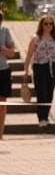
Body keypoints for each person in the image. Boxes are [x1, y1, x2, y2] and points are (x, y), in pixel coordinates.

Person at [24, 15, 55, 128]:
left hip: (52, 67)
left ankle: (46, 115)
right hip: (39, 67)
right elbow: (29, 55)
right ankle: (42, 118)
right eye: (46, 24)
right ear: (41, 25)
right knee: (41, 92)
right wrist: (26, 70)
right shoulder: (35, 38)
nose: (48, 26)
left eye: (50, 24)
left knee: (49, 93)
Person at [0, 11, 17, 139]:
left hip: (3, 71)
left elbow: (12, 53)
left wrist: (3, 49)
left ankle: (0, 134)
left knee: (2, 104)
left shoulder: (5, 32)